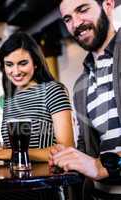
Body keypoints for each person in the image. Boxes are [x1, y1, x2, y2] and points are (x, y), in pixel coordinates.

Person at [49, 0, 121, 198]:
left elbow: (97, 165)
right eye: (68, 18)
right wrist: (68, 157)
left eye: (82, 10)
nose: (76, 23)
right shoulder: (82, 83)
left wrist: (103, 166)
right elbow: (87, 148)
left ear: (108, 5)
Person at [0, 31, 74, 162]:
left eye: (23, 63)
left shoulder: (52, 90)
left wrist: (14, 153)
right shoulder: (9, 100)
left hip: (48, 179)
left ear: (35, 62)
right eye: (9, 64)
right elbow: (8, 150)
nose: (16, 71)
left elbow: (67, 149)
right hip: (16, 178)